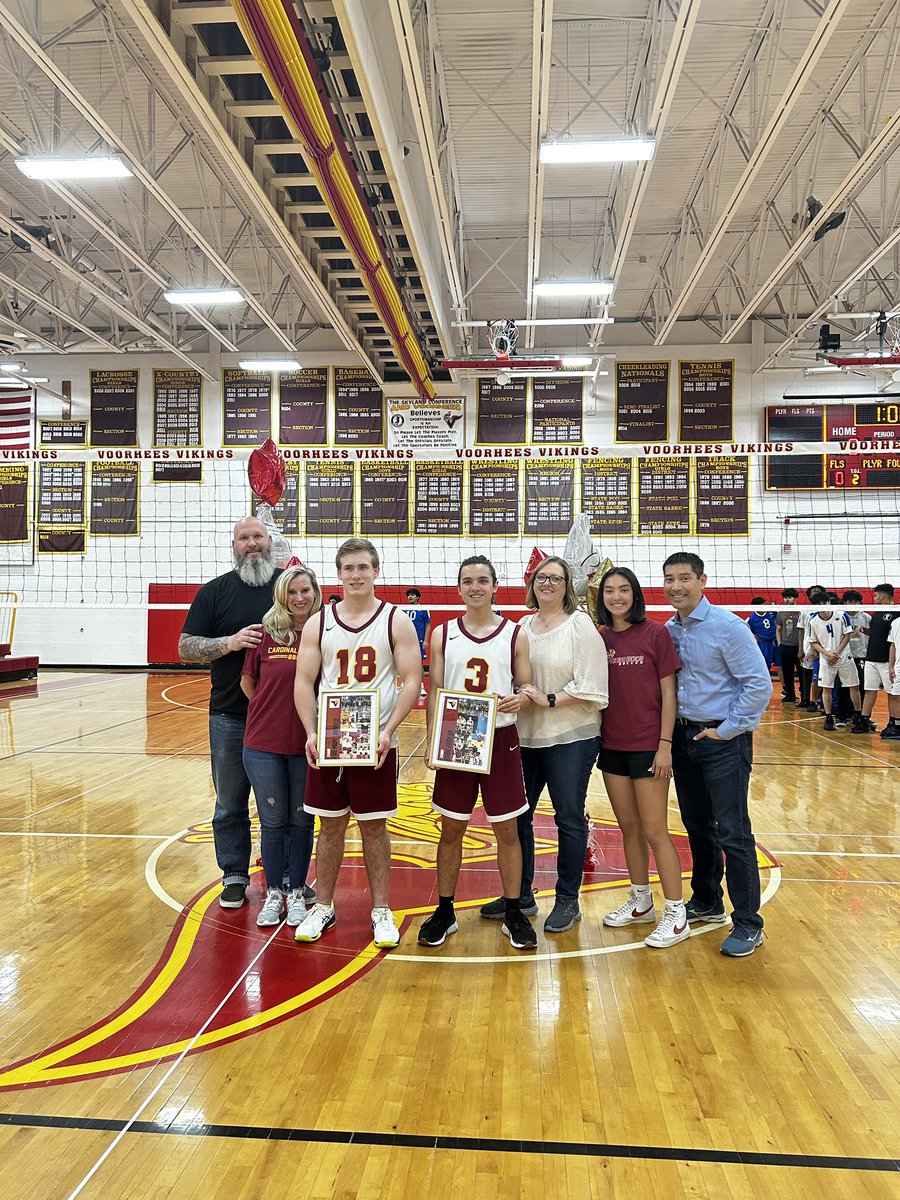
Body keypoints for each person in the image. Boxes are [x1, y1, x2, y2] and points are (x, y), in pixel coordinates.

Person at [293, 538, 423, 949]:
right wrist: (312, 732)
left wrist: (389, 730)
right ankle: (324, 905)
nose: (355, 575)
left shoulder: (395, 620)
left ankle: (381, 910)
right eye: (348, 568)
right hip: (331, 739)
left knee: (374, 827)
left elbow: (413, 680)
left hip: (376, 742)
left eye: (362, 567)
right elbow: (302, 682)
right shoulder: (319, 622)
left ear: (375, 571)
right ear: (338, 573)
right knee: (329, 827)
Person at [481, 555, 608, 933]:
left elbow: (594, 687)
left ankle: (568, 900)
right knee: (518, 815)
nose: (547, 583)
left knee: (568, 817)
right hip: (525, 738)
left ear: (568, 586)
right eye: (541, 578)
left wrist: (549, 698)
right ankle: (520, 894)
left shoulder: (581, 625)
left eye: (555, 578)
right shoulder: (520, 626)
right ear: (532, 584)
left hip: (572, 736)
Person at [418, 555, 537, 951]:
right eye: (467, 580)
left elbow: (526, 687)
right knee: (452, 828)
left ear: (494, 586)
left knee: (507, 830)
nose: (475, 587)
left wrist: (519, 700)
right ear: (459, 587)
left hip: (500, 737)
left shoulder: (515, 633)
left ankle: (515, 910)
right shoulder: (442, 633)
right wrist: (433, 739)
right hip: (456, 734)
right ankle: (445, 910)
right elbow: (434, 689)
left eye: (482, 580)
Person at [662, 552, 772, 957]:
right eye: (670, 579)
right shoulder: (670, 629)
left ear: (702, 580)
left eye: (685, 578)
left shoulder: (728, 626)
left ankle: (747, 922)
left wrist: (725, 731)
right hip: (684, 737)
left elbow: (758, 685)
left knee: (734, 832)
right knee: (696, 824)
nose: (677, 586)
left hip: (723, 741)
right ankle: (707, 900)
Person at [179, 516, 283, 909]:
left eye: (258, 536)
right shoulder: (214, 593)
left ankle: (285, 877)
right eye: (244, 538)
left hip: (282, 715)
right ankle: (235, 874)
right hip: (229, 715)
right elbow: (185, 648)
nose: (252, 543)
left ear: (269, 541)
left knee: (284, 804)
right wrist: (231, 642)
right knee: (229, 803)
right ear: (234, 545)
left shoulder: (288, 589)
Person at [595, 567, 688, 949]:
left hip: (649, 746)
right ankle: (641, 901)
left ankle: (676, 912)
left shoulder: (655, 633)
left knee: (654, 830)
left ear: (635, 594)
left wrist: (665, 744)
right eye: (610, 591)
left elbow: (670, 694)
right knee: (628, 828)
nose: (617, 597)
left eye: (624, 589)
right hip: (611, 746)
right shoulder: (599, 637)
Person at [241, 566, 321, 928]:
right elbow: (248, 683)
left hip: (308, 744)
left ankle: (297, 892)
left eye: (305, 590)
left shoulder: (326, 633)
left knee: (303, 821)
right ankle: (274, 892)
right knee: (273, 822)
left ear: (315, 593)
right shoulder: (264, 635)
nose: (299, 598)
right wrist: (271, 710)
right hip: (263, 743)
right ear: (282, 596)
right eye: (293, 592)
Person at [806, 598, 865, 732]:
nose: (824, 607)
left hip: (844, 657)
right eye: (820, 604)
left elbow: (847, 635)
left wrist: (836, 653)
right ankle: (828, 717)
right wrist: (828, 654)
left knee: (854, 686)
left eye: (825, 603)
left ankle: (858, 714)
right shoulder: (813, 621)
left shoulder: (841, 615)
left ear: (829, 603)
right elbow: (813, 642)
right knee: (827, 688)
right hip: (826, 660)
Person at [862, 583, 900, 739]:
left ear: (883, 596)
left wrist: (892, 664)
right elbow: (876, 633)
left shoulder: (896, 613)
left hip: (886, 661)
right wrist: (863, 630)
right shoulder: (876, 612)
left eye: (876, 595)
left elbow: (893, 640)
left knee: (892, 693)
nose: (875, 598)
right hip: (871, 658)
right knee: (869, 690)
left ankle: (893, 722)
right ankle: (863, 720)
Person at [840, 590, 869, 728]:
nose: (853, 604)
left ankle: (860, 715)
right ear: (845, 603)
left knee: (861, 686)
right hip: (844, 657)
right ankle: (843, 715)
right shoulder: (840, 617)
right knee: (844, 687)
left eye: (856, 602)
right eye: (850, 602)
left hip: (861, 657)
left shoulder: (866, 617)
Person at [403, 586, 431, 698]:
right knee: (405, 664)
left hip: (418, 640)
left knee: (419, 664)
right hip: (406, 641)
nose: (410, 597)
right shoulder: (404, 609)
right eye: (409, 595)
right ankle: (405, 685)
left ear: (417, 597)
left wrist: (426, 640)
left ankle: (422, 687)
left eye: (412, 595)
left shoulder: (423, 609)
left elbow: (428, 625)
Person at [776, 588, 801, 705]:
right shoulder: (781, 612)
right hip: (785, 646)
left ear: (795, 598)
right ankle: (790, 695)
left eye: (789, 597)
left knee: (802, 673)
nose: (787, 599)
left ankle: (804, 696)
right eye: (785, 597)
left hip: (798, 646)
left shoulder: (801, 611)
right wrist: (780, 643)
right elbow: (778, 629)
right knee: (787, 673)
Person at [746, 598, 779, 688]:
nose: (766, 605)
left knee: (781, 665)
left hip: (775, 642)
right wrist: (754, 637)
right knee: (765, 667)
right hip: (763, 644)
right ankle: (765, 687)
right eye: (764, 604)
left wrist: (775, 607)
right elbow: (745, 631)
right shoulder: (751, 619)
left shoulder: (771, 612)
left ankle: (785, 688)